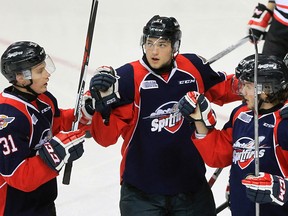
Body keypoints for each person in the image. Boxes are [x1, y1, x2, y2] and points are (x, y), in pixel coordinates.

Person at [88, 15, 240, 216]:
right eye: (149, 43)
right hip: (142, 193)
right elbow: (104, 139)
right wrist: (102, 109)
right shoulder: (127, 78)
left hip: (191, 188)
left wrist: (260, 83)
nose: (154, 51)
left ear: (174, 46)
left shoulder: (193, 68)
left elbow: (228, 89)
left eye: (162, 44)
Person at [178, 54, 288, 216]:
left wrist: (282, 189)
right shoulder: (240, 115)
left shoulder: (283, 123)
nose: (241, 91)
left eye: (248, 86)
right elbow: (218, 156)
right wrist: (199, 121)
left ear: (266, 89)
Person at [0, 41, 92, 216]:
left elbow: (56, 126)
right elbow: (19, 177)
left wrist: (84, 113)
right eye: (40, 71)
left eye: (45, 67)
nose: (47, 74)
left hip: (44, 204)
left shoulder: (45, 99)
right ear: (21, 77)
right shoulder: (7, 120)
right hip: (13, 209)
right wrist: (55, 152)